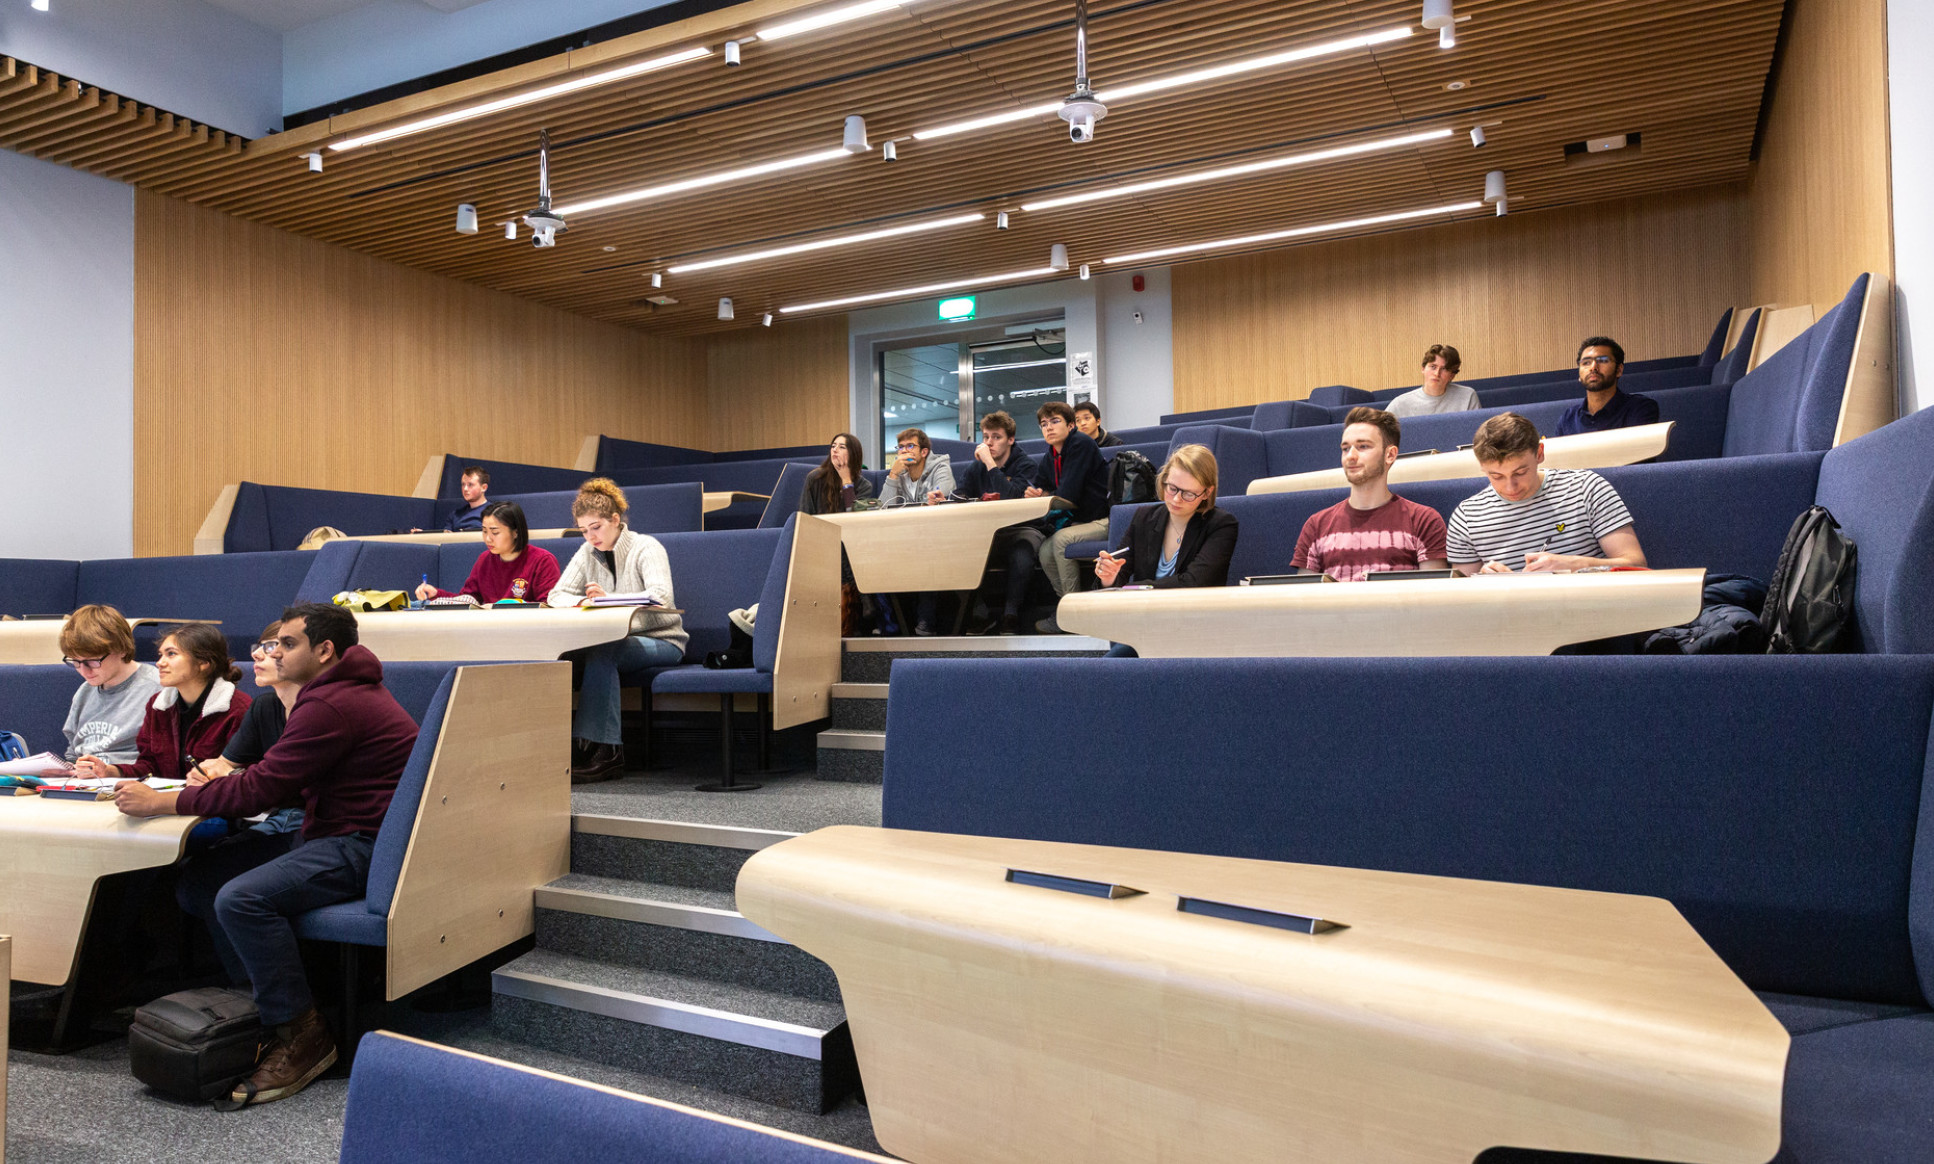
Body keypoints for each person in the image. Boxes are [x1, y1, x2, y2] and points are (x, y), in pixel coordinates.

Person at [119, 603, 420, 1107]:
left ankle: (303, 1034)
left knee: (240, 899)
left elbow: (259, 791)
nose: (274, 651)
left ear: (324, 651)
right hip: (334, 832)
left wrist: (162, 802)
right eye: (275, 642)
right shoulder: (333, 691)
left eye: (288, 644)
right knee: (205, 878)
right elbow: (278, 784)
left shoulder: (330, 703)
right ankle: (263, 1004)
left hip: (364, 843)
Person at [548, 478, 688, 783]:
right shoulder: (587, 552)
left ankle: (605, 753)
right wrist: (586, 600)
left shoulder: (646, 547)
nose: (590, 536)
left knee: (603, 653)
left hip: (662, 639)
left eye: (596, 527)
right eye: (584, 530)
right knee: (575, 655)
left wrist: (607, 601)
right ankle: (573, 749)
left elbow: (661, 598)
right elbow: (556, 595)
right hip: (612, 640)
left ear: (615, 520)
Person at [1447, 412, 1648, 574]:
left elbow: (1637, 565)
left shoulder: (1587, 488)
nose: (1511, 487)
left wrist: (1576, 565)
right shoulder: (1467, 517)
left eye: (1520, 472)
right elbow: (1459, 598)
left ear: (1540, 453)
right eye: (1496, 476)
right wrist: (1480, 585)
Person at [75, 622, 249, 785]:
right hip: (169, 802)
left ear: (203, 662)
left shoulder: (238, 709)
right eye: (161, 655)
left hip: (213, 808)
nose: (160, 663)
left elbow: (246, 774)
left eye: (171, 654)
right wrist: (110, 771)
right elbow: (149, 766)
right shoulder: (158, 705)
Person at [1291, 408, 1450, 581]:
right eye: (1345, 448)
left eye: (1363, 446)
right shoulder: (1316, 526)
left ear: (1390, 455)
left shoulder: (1423, 520)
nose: (1350, 456)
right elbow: (1303, 600)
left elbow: (1432, 598)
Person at [191, 620, 305, 837]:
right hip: (275, 815)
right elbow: (223, 764)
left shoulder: (322, 711)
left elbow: (282, 788)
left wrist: (229, 775)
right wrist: (206, 773)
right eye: (259, 646)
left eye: (270, 647)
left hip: (309, 823)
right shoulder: (264, 705)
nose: (257, 655)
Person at [1094, 444, 1238, 590]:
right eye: (1172, 488)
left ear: (1207, 493)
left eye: (1188, 494)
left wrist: (1133, 589)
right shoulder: (1143, 518)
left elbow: (1194, 582)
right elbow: (1117, 578)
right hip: (1144, 610)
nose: (1176, 499)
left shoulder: (1221, 525)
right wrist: (1108, 577)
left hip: (1195, 610)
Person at [1027, 401, 1112, 633]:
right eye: (1044, 424)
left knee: (1062, 541)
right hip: (1079, 523)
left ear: (1071, 425)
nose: (1049, 428)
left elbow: (1068, 494)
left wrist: (1044, 494)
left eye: (1055, 421)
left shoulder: (1080, 444)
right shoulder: (1051, 455)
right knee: (1045, 550)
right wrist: (1034, 493)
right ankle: (1066, 607)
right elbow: (1040, 487)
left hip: (1104, 520)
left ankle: (1075, 614)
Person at [959, 411, 1041, 636]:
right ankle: (980, 613)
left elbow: (1012, 498)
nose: (989, 443)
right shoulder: (975, 468)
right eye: (986, 437)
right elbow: (959, 495)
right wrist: (941, 498)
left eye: (996, 437)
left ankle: (1010, 615)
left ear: (1011, 440)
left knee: (1022, 552)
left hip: (1022, 529)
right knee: (958, 551)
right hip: (986, 532)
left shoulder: (1026, 465)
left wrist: (989, 464)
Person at [877, 428, 958, 635]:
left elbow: (944, 490)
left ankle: (926, 620)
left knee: (925, 552)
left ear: (924, 452)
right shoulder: (899, 474)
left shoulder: (940, 465)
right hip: (905, 537)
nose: (904, 451)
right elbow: (883, 507)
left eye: (910, 446)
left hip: (937, 535)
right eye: (901, 447)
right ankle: (889, 622)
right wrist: (893, 475)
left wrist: (936, 496)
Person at [58, 604, 160, 765]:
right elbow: (72, 753)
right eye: (75, 661)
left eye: (92, 661)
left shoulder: (156, 688)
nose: (84, 671)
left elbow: (162, 758)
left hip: (129, 779)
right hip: (85, 781)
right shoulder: (84, 692)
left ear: (122, 649)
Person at [413, 500, 560, 605]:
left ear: (515, 532)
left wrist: (498, 608)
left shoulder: (542, 560)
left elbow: (549, 605)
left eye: (495, 532)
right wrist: (436, 594)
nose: (488, 538)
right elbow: (469, 599)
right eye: (484, 531)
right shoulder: (484, 559)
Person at [1555, 336, 1660, 436]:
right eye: (1586, 363)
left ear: (1619, 370)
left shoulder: (1639, 408)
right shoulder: (1568, 419)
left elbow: (1637, 452)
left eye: (1602, 361)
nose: (1593, 367)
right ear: (1579, 373)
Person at [1385, 344, 1480, 418]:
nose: (1437, 373)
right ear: (1423, 369)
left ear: (1452, 375)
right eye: (1433, 367)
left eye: (1444, 369)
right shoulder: (1400, 404)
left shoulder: (1467, 396)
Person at [799, 433, 874, 515]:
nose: (835, 450)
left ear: (853, 454)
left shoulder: (864, 486)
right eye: (833, 446)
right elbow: (804, 516)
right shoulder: (815, 478)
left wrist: (846, 481)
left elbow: (854, 518)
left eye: (842, 447)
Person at [444, 465, 492, 532]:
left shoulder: (494, 513)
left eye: (470, 485)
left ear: (483, 487)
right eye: (463, 484)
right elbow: (445, 538)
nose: (465, 489)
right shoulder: (455, 515)